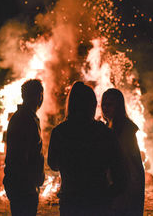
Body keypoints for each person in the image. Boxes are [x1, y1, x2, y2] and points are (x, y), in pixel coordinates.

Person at [48, 82, 126, 216]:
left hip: (71, 201)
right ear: (92, 105)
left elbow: (53, 165)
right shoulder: (104, 132)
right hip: (98, 201)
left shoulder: (60, 132)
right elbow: (119, 173)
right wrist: (108, 195)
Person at [3, 79, 45, 216]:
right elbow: (21, 156)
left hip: (20, 183)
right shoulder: (25, 119)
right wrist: (32, 182)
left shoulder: (24, 117)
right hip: (23, 186)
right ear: (39, 96)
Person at [101, 88, 145, 216]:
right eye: (104, 104)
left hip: (125, 189)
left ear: (118, 106)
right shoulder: (107, 127)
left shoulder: (127, 130)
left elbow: (131, 164)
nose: (105, 107)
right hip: (113, 188)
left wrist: (129, 192)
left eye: (110, 104)